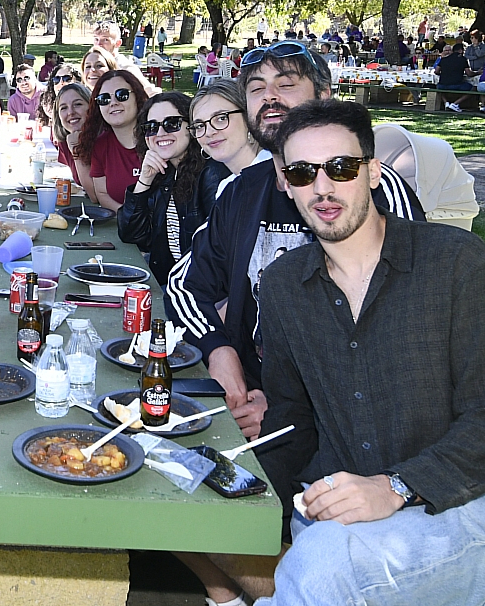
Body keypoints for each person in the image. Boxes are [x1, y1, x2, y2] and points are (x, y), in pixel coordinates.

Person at [255, 99, 485, 606]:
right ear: (282, 181)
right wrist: (233, 482)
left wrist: (396, 486)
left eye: (340, 167)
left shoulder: (458, 263)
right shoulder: (283, 285)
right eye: (301, 172)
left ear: (373, 171)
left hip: (464, 507)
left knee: (322, 570)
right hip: (336, 512)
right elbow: (290, 421)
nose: (322, 188)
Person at [164, 40, 422, 442]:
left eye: (286, 84)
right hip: (249, 404)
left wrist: (290, 406)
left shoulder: (372, 188)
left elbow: (407, 330)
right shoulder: (243, 191)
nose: (269, 96)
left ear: (323, 95)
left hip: (355, 429)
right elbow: (186, 285)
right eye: (256, 88)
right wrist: (219, 351)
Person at [118, 91, 222, 285]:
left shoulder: (211, 174)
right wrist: (145, 179)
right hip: (170, 284)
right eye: (151, 127)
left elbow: (220, 253)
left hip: (199, 293)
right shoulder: (165, 173)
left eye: (171, 124)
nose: (160, 134)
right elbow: (132, 234)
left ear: (191, 127)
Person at [77, 68, 149, 211]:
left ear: (137, 97)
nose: (113, 103)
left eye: (121, 95)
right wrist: (127, 217)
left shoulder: (158, 138)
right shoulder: (100, 145)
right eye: (104, 99)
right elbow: (102, 193)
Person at [188, 78, 265, 195]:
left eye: (221, 118)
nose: (209, 132)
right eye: (199, 126)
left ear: (249, 118)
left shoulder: (278, 177)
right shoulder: (226, 188)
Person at [436, 42, 473, 112]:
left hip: (442, 85)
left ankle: (446, 102)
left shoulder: (444, 59)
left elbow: (436, 71)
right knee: (473, 89)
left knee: (438, 87)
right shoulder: (463, 59)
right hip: (456, 84)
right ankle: (455, 103)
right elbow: (469, 73)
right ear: (460, 50)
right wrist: (478, 72)